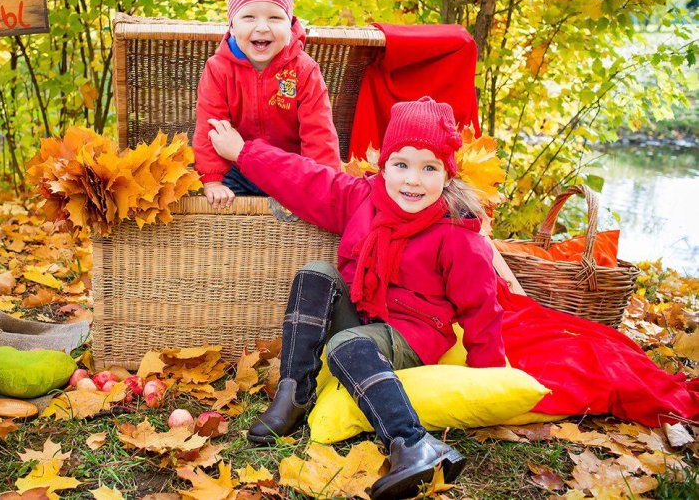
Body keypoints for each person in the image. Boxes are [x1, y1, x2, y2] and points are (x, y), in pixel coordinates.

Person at [206, 97, 506, 499]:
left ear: (447, 176)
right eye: (401, 165)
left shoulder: (456, 234)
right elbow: (304, 178)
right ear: (384, 167)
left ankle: (413, 443)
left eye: (429, 168)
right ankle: (294, 394)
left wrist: (487, 377)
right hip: (365, 315)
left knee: (347, 344)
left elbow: (481, 305)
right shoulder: (361, 197)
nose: (412, 180)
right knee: (316, 274)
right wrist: (244, 152)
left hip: (412, 334)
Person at [192, 0, 340, 210]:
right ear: (232, 24)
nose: (262, 27)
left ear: (291, 24)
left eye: (275, 17)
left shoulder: (304, 70)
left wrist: (324, 184)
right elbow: (210, 126)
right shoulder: (219, 69)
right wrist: (213, 180)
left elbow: (319, 132)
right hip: (236, 168)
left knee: (308, 208)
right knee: (214, 202)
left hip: (289, 169)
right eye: (249, 17)